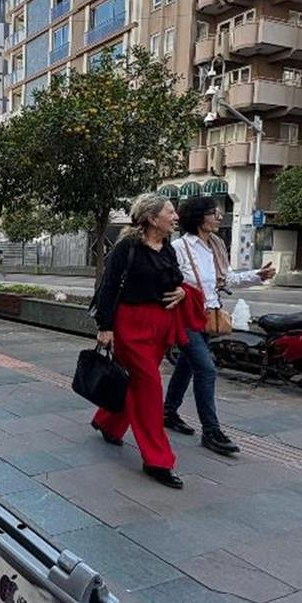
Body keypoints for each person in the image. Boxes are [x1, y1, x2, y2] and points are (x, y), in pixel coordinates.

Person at [91, 193, 199, 489]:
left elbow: (175, 280)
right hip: (131, 325)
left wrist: (182, 291)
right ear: (152, 218)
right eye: (170, 212)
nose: (176, 217)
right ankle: (157, 459)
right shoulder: (127, 246)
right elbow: (108, 286)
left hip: (160, 327)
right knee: (150, 388)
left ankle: (108, 422)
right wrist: (105, 327)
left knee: (136, 384)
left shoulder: (168, 248)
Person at [164, 196, 276, 454]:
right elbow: (168, 279)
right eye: (213, 213)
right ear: (198, 217)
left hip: (207, 316)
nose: (218, 217)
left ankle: (168, 412)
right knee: (206, 369)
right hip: (186, 317)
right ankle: (211, 431)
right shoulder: (180, 247)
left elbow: (226, 279)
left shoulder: (214, 245)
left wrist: (257, 275)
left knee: (186, 365)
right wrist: (180, 289)